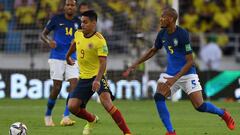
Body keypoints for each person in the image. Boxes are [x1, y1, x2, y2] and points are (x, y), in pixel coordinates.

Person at [123, 7, 235, 135]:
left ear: (170, 19)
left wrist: (174, 79)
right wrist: (135, 64)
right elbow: (153, 50)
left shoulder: (182, 34)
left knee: (200, 106)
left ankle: (223, 114)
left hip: (187, 74)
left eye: (163, 17)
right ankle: (171, 132)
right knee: (158, 96)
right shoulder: (162, 33)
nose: (160, 19)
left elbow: (190, 61)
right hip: (170, 73)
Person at [66, 10, 132, 135]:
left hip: (98, 76)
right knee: (72, 106)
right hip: (84, 77)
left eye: (85, 22)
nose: (82, 25)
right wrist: (67, 56)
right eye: (81, 22)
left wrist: (97, 80)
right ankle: (91, 119)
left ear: (93, 23)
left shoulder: (100, 40)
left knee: (106, 103)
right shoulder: (78, 34)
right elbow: (74, 44)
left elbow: (103, 62)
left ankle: (127, 133)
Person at [40, 0, 80, 127]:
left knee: (74, 84)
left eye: (72, 5)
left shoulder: (79, 22)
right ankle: (48, 115)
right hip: (56, 56)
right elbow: (43, 34)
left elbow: (85, 36)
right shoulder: (56, 19)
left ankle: (66, 116)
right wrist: (48, 42)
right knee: (57, 87)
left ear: (75, 7)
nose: (70, 7)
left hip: (72, 57)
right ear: (64, 7)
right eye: (68, 4)